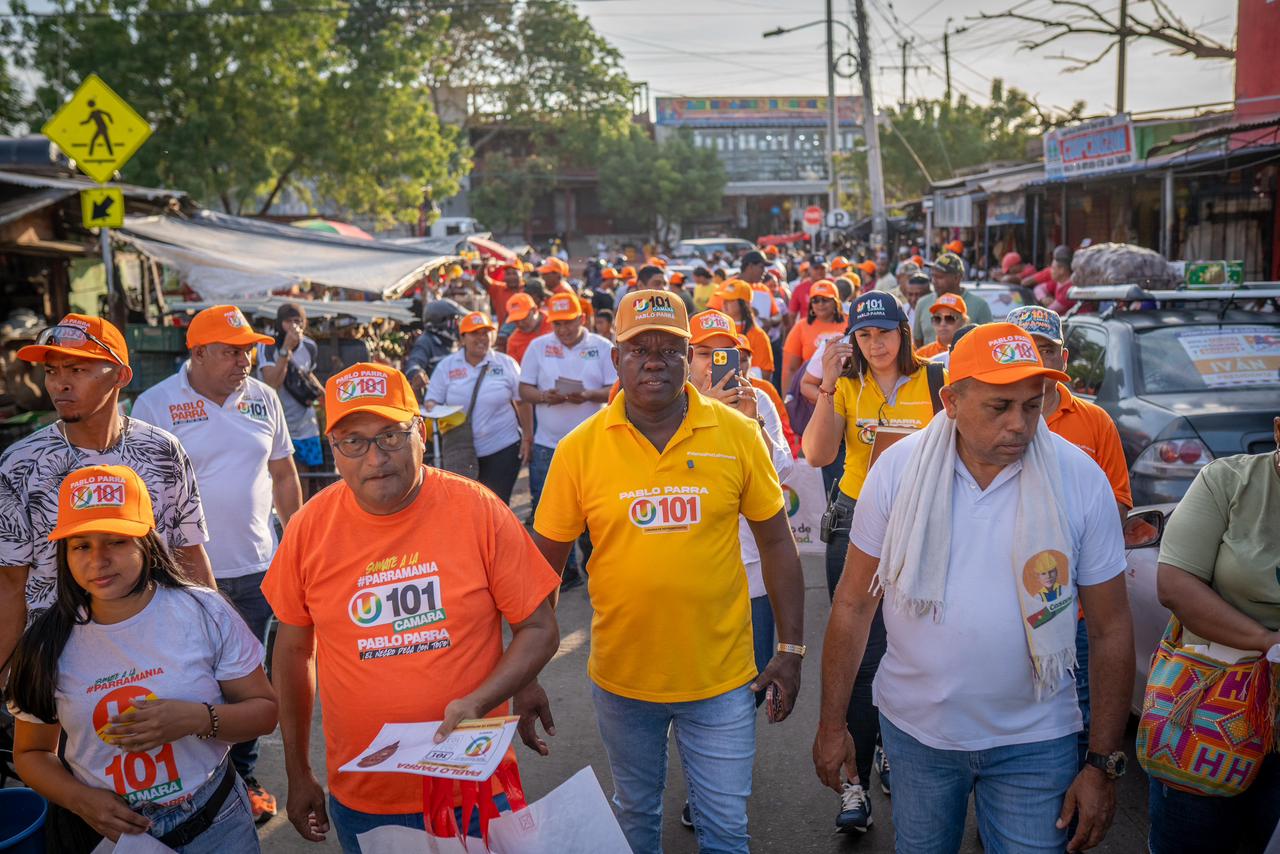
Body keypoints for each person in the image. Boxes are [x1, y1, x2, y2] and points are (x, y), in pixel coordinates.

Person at [814, 323, 1136, 854]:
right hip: (918, 736)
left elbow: (1111, 627)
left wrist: (1102, 764)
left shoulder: (1079, 479)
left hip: (1038, 740)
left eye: (1032, 406)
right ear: (952, 400)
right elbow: (853, 604)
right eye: (999, 406)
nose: (1020, 425)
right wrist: (832, 726)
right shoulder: (897, 471)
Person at [519, 290, 805, 854]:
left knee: (726, 831)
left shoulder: (737, 434)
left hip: (723, 681)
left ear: (687, 355)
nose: (653, 360)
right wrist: (524, 674)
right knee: (636, 820)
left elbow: (777, 543)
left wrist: (791, 651)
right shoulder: (579, 449)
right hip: (624, 681)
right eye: (639, 348)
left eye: (669, 349)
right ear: (616, 359)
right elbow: (541, 570)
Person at [262, 363, 561, 854]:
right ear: (332, 449)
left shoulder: (479, 510)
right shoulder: (308, 529)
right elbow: (294, 654)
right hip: (366, 792)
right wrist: (298, 772)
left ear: (421, 432)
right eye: (352, 442)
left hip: (472, 779)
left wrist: (484, 698)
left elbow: (539, 626)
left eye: (391, 436)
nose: (375, 458)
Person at [7, 464, 277, 853]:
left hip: (216, 821)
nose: (97, 560)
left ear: (146, 542)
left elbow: (265, 712)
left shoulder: (205, 612)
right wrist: (80, 800)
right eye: (81, 545)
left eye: (115, 541)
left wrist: (197, 718)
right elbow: (32, 753)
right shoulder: (44, 645)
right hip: (113, 837)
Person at [130, 306, 303, 824]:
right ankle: (195, 779)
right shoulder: (154, 405)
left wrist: (295, 540)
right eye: (232, 350)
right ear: (198, 352)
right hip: (180, 576)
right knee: (191, 680)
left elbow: (285, 475)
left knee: (248, 685)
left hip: (256, 569)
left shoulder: (265, 399)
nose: (245, 360)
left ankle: (241, 776)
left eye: (249, 349)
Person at [0, 315, 213, 683]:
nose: (60, 384)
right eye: (52, 371)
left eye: (77, 368)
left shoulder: (163, 451)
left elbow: (188, 554)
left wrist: (215, 640)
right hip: (57, 663)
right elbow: (11, 585)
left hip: (158, 655)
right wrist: (9, 670)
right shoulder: (20, 464)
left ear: (120, 375)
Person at [800, 291, 945, 832]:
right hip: (858, 521)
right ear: (851, 340)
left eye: (884, 332)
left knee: (914, 643)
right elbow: (816, 455)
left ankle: (891, 748)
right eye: (863, 335)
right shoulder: (848, 386)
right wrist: (828, 386)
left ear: (904, 332)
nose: (875, 344)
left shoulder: (934, 380)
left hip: (926, 523)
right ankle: (854, 781)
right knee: (860, 652)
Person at [1146, 415, 1280, 853]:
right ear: (1279, 431)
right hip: (1211, 711)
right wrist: (1268, 642)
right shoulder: (1228, 481)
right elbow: (1175, 584)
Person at [518, 292, 617, 587]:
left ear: (581, 319)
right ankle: (561, 575)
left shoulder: (601, 348)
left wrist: (587, 395)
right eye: (557, 324)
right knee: (547, 511)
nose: (562, 329)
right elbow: (525, 390)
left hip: (594, 445)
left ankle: (593, 568)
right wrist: (545, 397)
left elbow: (617, 389)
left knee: (593, 512)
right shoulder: (539, 347)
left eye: (568, 323)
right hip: (549, 444)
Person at [425, 311, 532, 505]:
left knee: (497, 504)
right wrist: (433, 407)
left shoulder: (506, 364)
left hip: (503, 447)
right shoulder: (446, 366)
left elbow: (522, 402)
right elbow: (432, 401)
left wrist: (527, 437)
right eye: (475, 333)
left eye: (486, 332)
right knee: (467, 504)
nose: (482, 338)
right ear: (462, 338)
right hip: (460, 450)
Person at [257, 304, 325, 486]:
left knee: (303, 478)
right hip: (277, 423)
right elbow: (272, 383)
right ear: (280, 323)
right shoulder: (267, 345)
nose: (294, 326)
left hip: (305, 424)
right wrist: (286, 348)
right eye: (289, 321)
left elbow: (308, 375)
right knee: (281, 477)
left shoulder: (310, 346)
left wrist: (325, 398)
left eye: (298, 321)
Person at [736, 333, 798, 458]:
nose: (739, 365)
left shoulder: (765, 389)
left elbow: (784, 424)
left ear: (751, 360)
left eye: (744, 360)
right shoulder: (713, 391)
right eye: (734, 360)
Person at [912, 252, 993, 347]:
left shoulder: (980, 306)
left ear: (957, 278)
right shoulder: (923, 303)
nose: (934, 281)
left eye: (940, 277)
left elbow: (988, 342)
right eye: (933, 276)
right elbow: (918, 341)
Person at [782, 279, 846, 392]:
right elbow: (790, 369)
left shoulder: (850, 322)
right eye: (815, 300)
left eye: (825, 300)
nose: (820, 304)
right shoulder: (801, 326)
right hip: (810, 394)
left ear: (836, 302)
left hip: (846, 390)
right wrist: (787, 400)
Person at [711, 279, 774, 379]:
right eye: (724, 299)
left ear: (744, 304)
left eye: (730, 300)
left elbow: (766, 373)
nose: (724, 303)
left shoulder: (758, 335)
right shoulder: (716, 330)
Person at [915, 293, 968, 361]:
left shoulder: (972, 350)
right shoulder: (921, 355)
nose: (942, 323)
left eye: (950, 318)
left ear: (963, 321)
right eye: (937, 318)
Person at [502, 292, 551, 365]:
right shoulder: (513, 342)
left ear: (534, 310)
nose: (520, 324)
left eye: (523, 318)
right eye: (516, 321)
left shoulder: (556, 322)